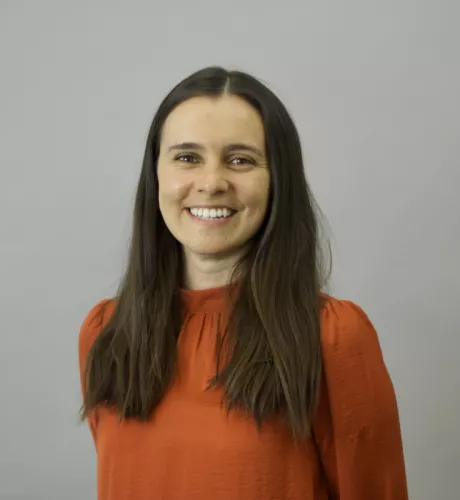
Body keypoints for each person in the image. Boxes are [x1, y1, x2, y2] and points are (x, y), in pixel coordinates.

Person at [78, 66, 408, 500]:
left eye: (240, 160)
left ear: (277, 181)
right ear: (155, 174)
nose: (212, 183)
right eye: (187, 157)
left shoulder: (333, 337)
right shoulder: (106, 332)